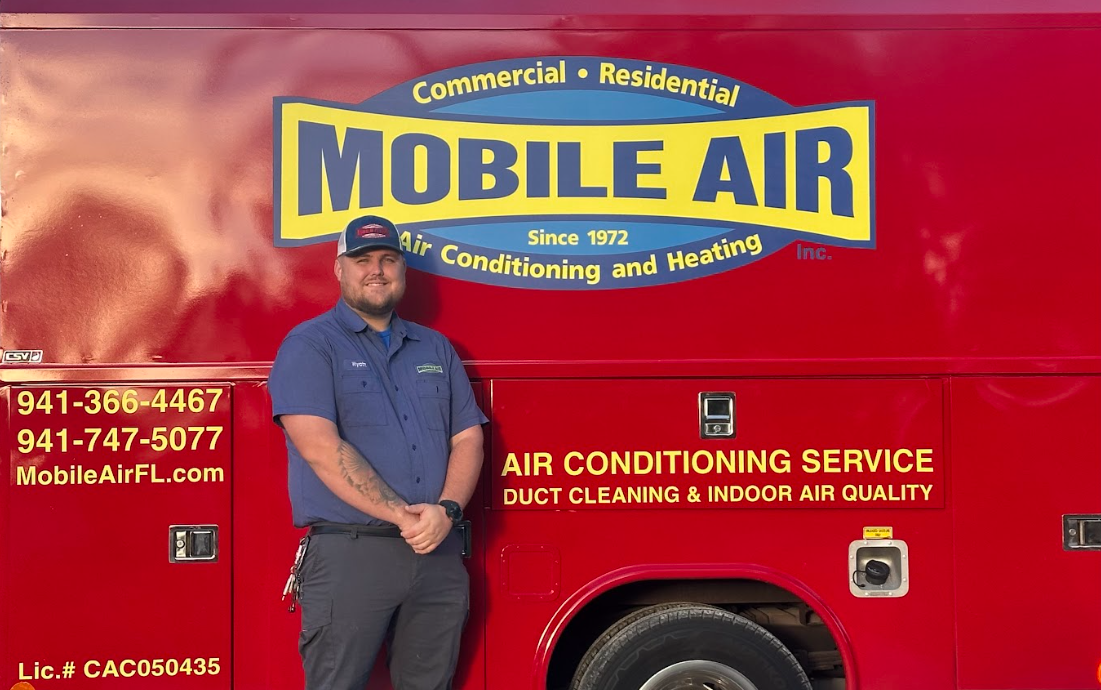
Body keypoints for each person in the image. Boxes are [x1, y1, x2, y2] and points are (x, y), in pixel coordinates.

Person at [268, 214, 487, 690]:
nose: (377, 270)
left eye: (388, 259)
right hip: (352, 554)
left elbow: (467, 437)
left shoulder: (436, 348)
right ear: (339, 269)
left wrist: (447, 511)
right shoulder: (310, 345)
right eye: (362, 259)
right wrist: (405, 518)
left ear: (403, 270)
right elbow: (320, 448)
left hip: (437, 553)